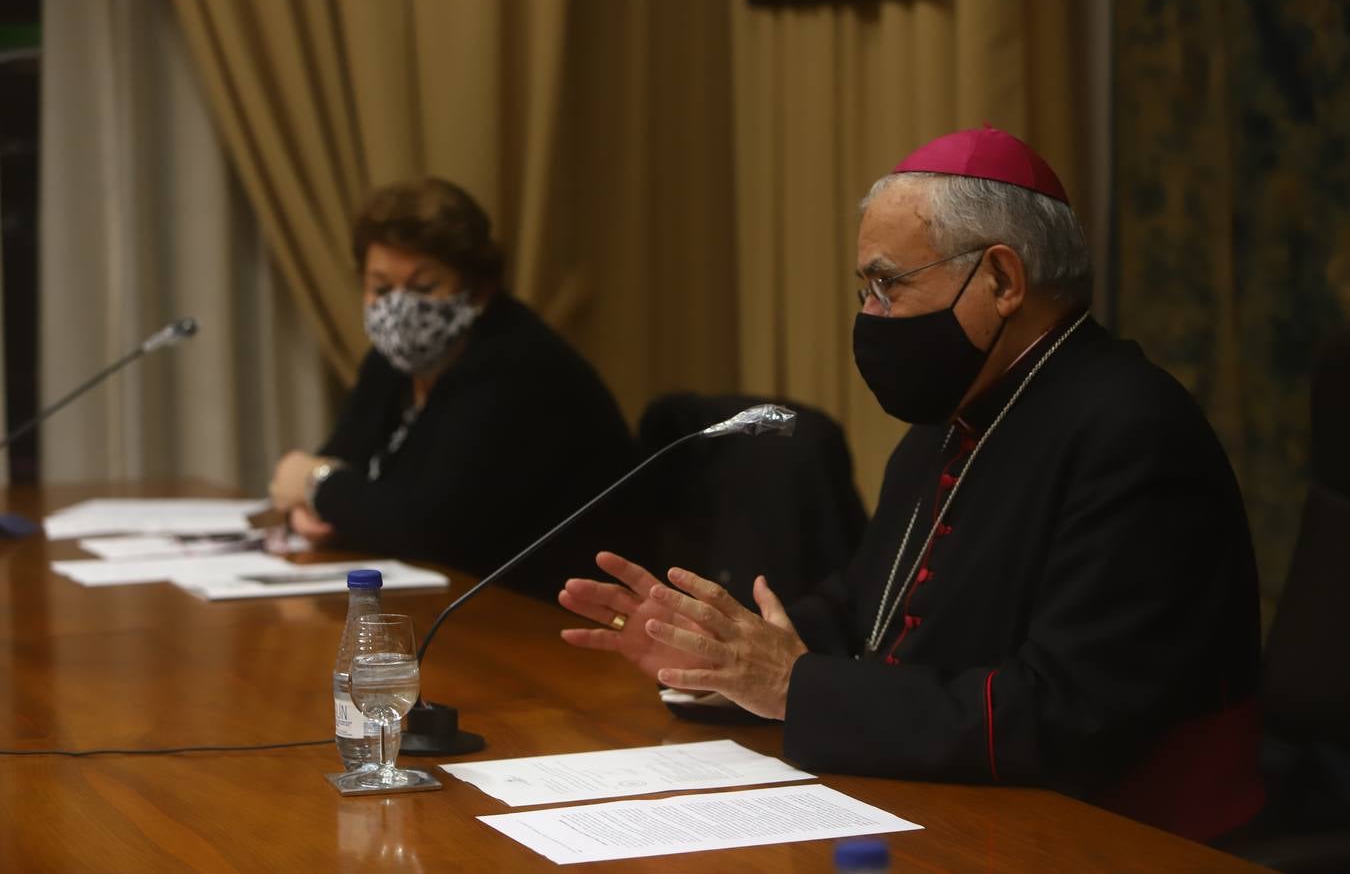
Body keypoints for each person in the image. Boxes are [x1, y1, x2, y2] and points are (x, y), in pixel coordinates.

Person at [558, 126, 1264, 842]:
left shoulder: (1133, 430)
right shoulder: (949, 418)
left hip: (1117, 837)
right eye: (864, 289)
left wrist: (794, 686)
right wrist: (722, 653)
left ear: (1002, 280)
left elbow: (1064, 716)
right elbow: (875, 604)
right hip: (957, 805)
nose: (869, 316)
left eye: (888, 285)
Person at [269, 177, 637, 598]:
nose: (399, 308)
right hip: (458, 597)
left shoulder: (519, 367)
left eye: (425, 287)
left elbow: (425, 528)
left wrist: (315, 484)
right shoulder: (391, 366)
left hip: (551, 612)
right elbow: (341, 466)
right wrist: (317, 501)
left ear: (477, 291)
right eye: (381, 288)